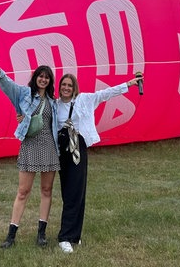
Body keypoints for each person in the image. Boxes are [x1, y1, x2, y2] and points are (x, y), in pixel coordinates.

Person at [0, 42, 60, 249]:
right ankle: (11, 235)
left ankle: (41, 233)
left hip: (50, 148)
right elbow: (5, 82)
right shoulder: (24, 94)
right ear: (35, 78)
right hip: (30, 147)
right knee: (23, 191)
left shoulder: (54, 102)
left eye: (47, 76)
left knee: (46, 189)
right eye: (40, 75)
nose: (43, 79)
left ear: (50, 81)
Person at [56, 73, 143, 253]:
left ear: (74, 88)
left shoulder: (85, 99)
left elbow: (106, 93)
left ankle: (68, 236)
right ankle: (70, 235)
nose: (66, 88)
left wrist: (128, 84)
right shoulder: (55, 105)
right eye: (63, 84)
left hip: (78, 148)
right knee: (68, 191)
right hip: (62, 150)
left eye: (69, 85)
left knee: (77, 191)